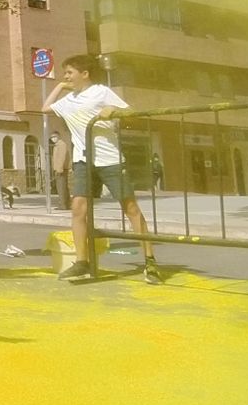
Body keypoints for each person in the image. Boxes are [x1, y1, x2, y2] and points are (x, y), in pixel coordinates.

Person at [45, 55, 162, 284]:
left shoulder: (101, 91)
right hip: (82, 160)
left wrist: (111, 108)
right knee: (78, 209)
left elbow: (129, 111)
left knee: (130, 208)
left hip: (109, 159)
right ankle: (82, 262)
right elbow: (45, 108)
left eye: (69, 72)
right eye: (65, 73)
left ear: (84, 73)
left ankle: (150, 261)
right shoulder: (69, 99)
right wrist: (59, 86)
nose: (66, 76)